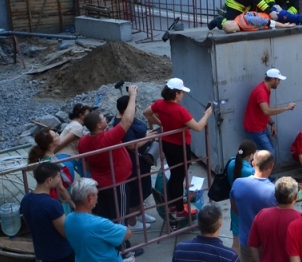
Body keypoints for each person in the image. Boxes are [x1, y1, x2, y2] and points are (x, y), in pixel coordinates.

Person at [143, 78, 213, 217]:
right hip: (180, 146)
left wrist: (161, 123)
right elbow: (198, 127)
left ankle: (173, 204)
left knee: (175, 173)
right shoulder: (180, 110)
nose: (183, 94)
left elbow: (146, 113)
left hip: (167, 143)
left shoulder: (160, 104)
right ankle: (180, 209)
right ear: (176, 93)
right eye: (182, 92)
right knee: (178, 177)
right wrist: (207, 115)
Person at [229, 150, 279, 262]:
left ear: (252, 163)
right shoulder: (273, 191)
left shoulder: (238, 184)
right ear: (271, 166)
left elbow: (234, 208)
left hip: (246, 239)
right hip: (268, 244)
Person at [78, 85, 139, 224]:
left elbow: (86, 164)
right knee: (120, 217)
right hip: (117, 182)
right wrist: (132, 96)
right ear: (99, 126)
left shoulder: (83, 141)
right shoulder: (107, 138)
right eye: (103, 118)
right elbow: (127, 121)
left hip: (99, 183)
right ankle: (122, 238)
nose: (106, 119)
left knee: (106, 217)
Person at [112, 95, 158, 232]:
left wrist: (147, 134)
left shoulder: (130, 118)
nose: (136, 107)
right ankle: (132, 221)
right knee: (135, 191)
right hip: (133, 161)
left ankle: (140, 214)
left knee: (142, 187)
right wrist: (147, 137)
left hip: (143, 160)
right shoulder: (122, 123)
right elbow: (131, 145)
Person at [242, 68, 296, 156]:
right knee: (269, 155)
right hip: (256, 130)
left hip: (261, 128)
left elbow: (262, 111)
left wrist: (272, 124)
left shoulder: (265, 90)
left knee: (266, 155)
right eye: (278, 80)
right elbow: (266, 111)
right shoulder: (261, 92)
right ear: (272, 79)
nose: (279, 82)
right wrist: (286, 108)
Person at [28, 128, 75, 210]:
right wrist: (73, 205)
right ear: (50, 144)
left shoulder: (45, 158)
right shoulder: (51, 162)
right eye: (55, 135)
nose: (58, 134)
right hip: (59, 200)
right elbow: (60, 188)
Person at [225, 139, 257, 255]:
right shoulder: (250, 171)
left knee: (236, 242)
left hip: (235, 205)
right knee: (253, 241)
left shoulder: (231, 163)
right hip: (248, 208)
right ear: (251, 155)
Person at [56, 102, 91, 176]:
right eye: (88, 115)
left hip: (66, 157)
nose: (90, 117)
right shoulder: (77, 127)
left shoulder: (72, 124)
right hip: (65, 159)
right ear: (81, 115)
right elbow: (61, 144)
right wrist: (49, 154)